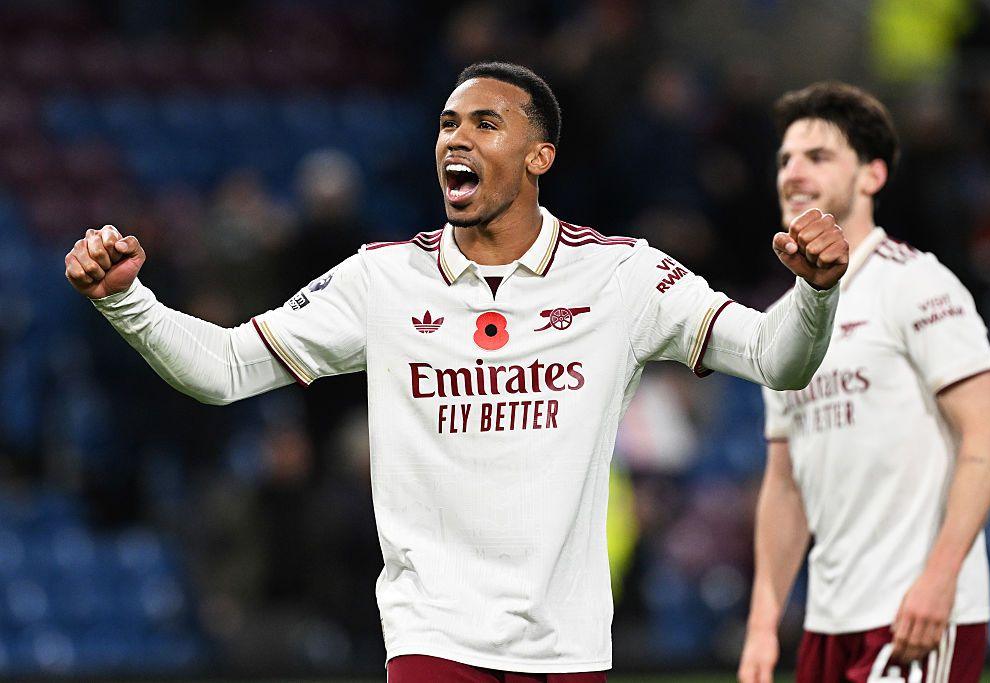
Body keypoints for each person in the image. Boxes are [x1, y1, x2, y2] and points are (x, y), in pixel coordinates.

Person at [66, 62, 848, 681]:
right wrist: (126, 301)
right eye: (446, 124)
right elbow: (226, 369)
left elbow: (776, 358)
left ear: (540, 154)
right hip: (433, 635)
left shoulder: (623, 276)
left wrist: (815, 293)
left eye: (485, 122)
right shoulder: (382, 280)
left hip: (568, 642)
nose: (455, 140)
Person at [738, 82, 990, 683]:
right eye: (785, 159)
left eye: (818, 156)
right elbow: (785, 485)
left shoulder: (917, 284)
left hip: (914, 611)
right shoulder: (781, 323)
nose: (793, 172)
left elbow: (989, 436)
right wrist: (763, 624)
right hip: (828, 621)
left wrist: (940, 579)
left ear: (872, 176)